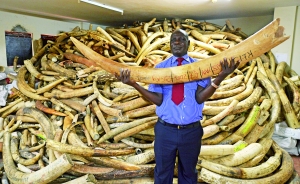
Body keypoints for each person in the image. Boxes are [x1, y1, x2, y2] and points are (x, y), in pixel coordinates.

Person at [116, 29, 239, 184]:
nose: (177, 42)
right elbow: (158, 100)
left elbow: (200, 97)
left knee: (188, 172)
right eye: (174, 39)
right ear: (170, 44)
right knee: (162, 172)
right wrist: (134, 84)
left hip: (191, 131)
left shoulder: (200, 68)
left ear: (188, 43)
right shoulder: (161, 69)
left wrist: (220, 77)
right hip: (165, 131)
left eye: (182, 39)